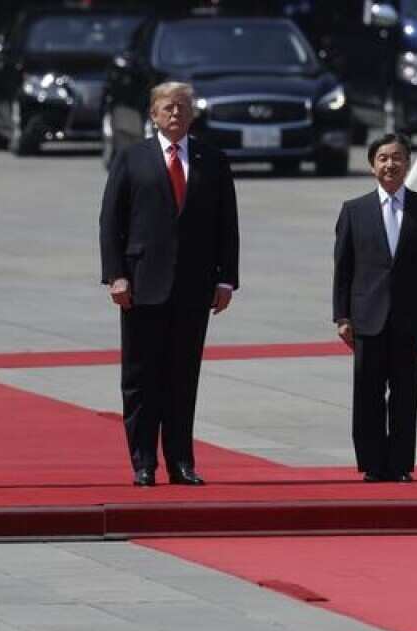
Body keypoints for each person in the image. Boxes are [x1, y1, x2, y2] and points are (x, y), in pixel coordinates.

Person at [98, 81, 239, 487]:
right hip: (142, 285)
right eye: (166, 108)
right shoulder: (132, 158)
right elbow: (111, 222)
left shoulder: (213, 160)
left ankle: (181, 461)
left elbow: (226, 223)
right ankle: (143, 462)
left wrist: (226, 278)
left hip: (193, 286)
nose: (174, 114)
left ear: (192, 114)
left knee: (182, 377)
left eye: (181, 107)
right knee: (141, 378)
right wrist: (116, 274)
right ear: (153, 115)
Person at [333, 133, 417, 483]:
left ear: (407, 164)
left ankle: (399, 464)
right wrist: (342, 316)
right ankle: (372, 463)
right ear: (372, 165)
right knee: (367, 393)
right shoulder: (354, 211)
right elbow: (344, 268)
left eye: (397, 157)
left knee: (404, 393)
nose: (390, 165)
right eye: (383, 158)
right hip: (366, 316)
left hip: (410, 316)